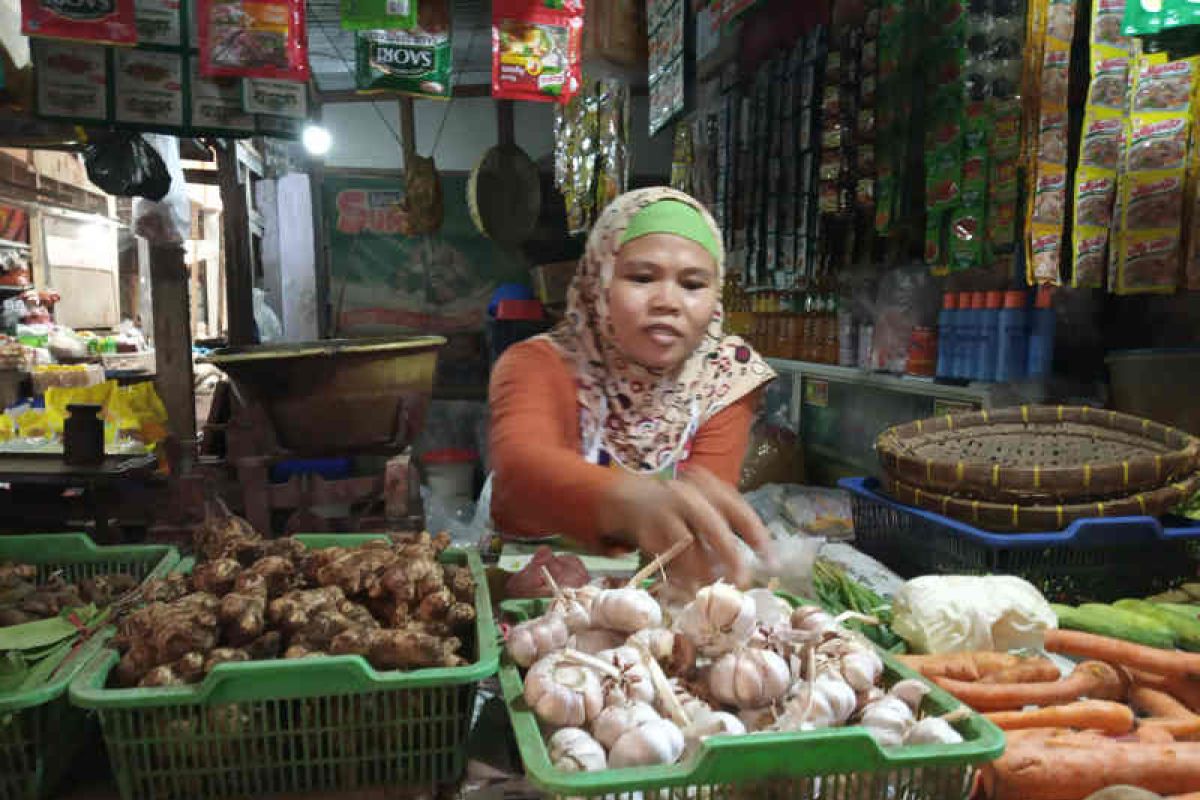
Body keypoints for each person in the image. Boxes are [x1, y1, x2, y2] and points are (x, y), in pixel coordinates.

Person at [488, 187, 777, 587]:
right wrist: (627, 502)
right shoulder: (538, 364)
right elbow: (520, 476)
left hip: (654, 596)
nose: (667, 302)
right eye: (642, 277)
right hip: (534, 587)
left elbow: (697, 520)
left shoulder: (725, 376)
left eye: (693, 284)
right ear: (600, 281)